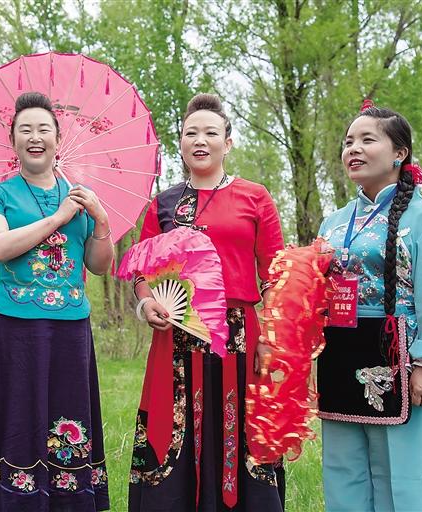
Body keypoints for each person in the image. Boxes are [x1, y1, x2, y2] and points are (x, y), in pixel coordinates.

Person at [0, 92, 113, 511]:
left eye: (44, 129)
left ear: (58, 139)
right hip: (13, 328)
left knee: (68, 417)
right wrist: (59, 218)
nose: (35, 137)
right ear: (13, 141)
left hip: (70, 330)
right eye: (25, 129)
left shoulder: (80, 196)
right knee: (15, 419)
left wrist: (100, 220)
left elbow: (99, 265)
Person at [129, 93, 285, 511]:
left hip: (240, 336)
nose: (200, 140)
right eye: (190, 133)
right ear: (180, 143)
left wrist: (270, 338)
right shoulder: (164, 203)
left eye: (210, 133)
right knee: (172, 433)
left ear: (227, 143)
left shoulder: (255, 197)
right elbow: (141, 271)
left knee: (243, 434)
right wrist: (146, 304)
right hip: (176, 337)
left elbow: (275, 275)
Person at [316, 103, 422, 511]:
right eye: (348, 141)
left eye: (367, 140)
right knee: (343, 467)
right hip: (339, 354)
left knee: (403, 470)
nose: (353, 148)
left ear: (399, 153)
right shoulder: (333, 223)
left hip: (397, 356)